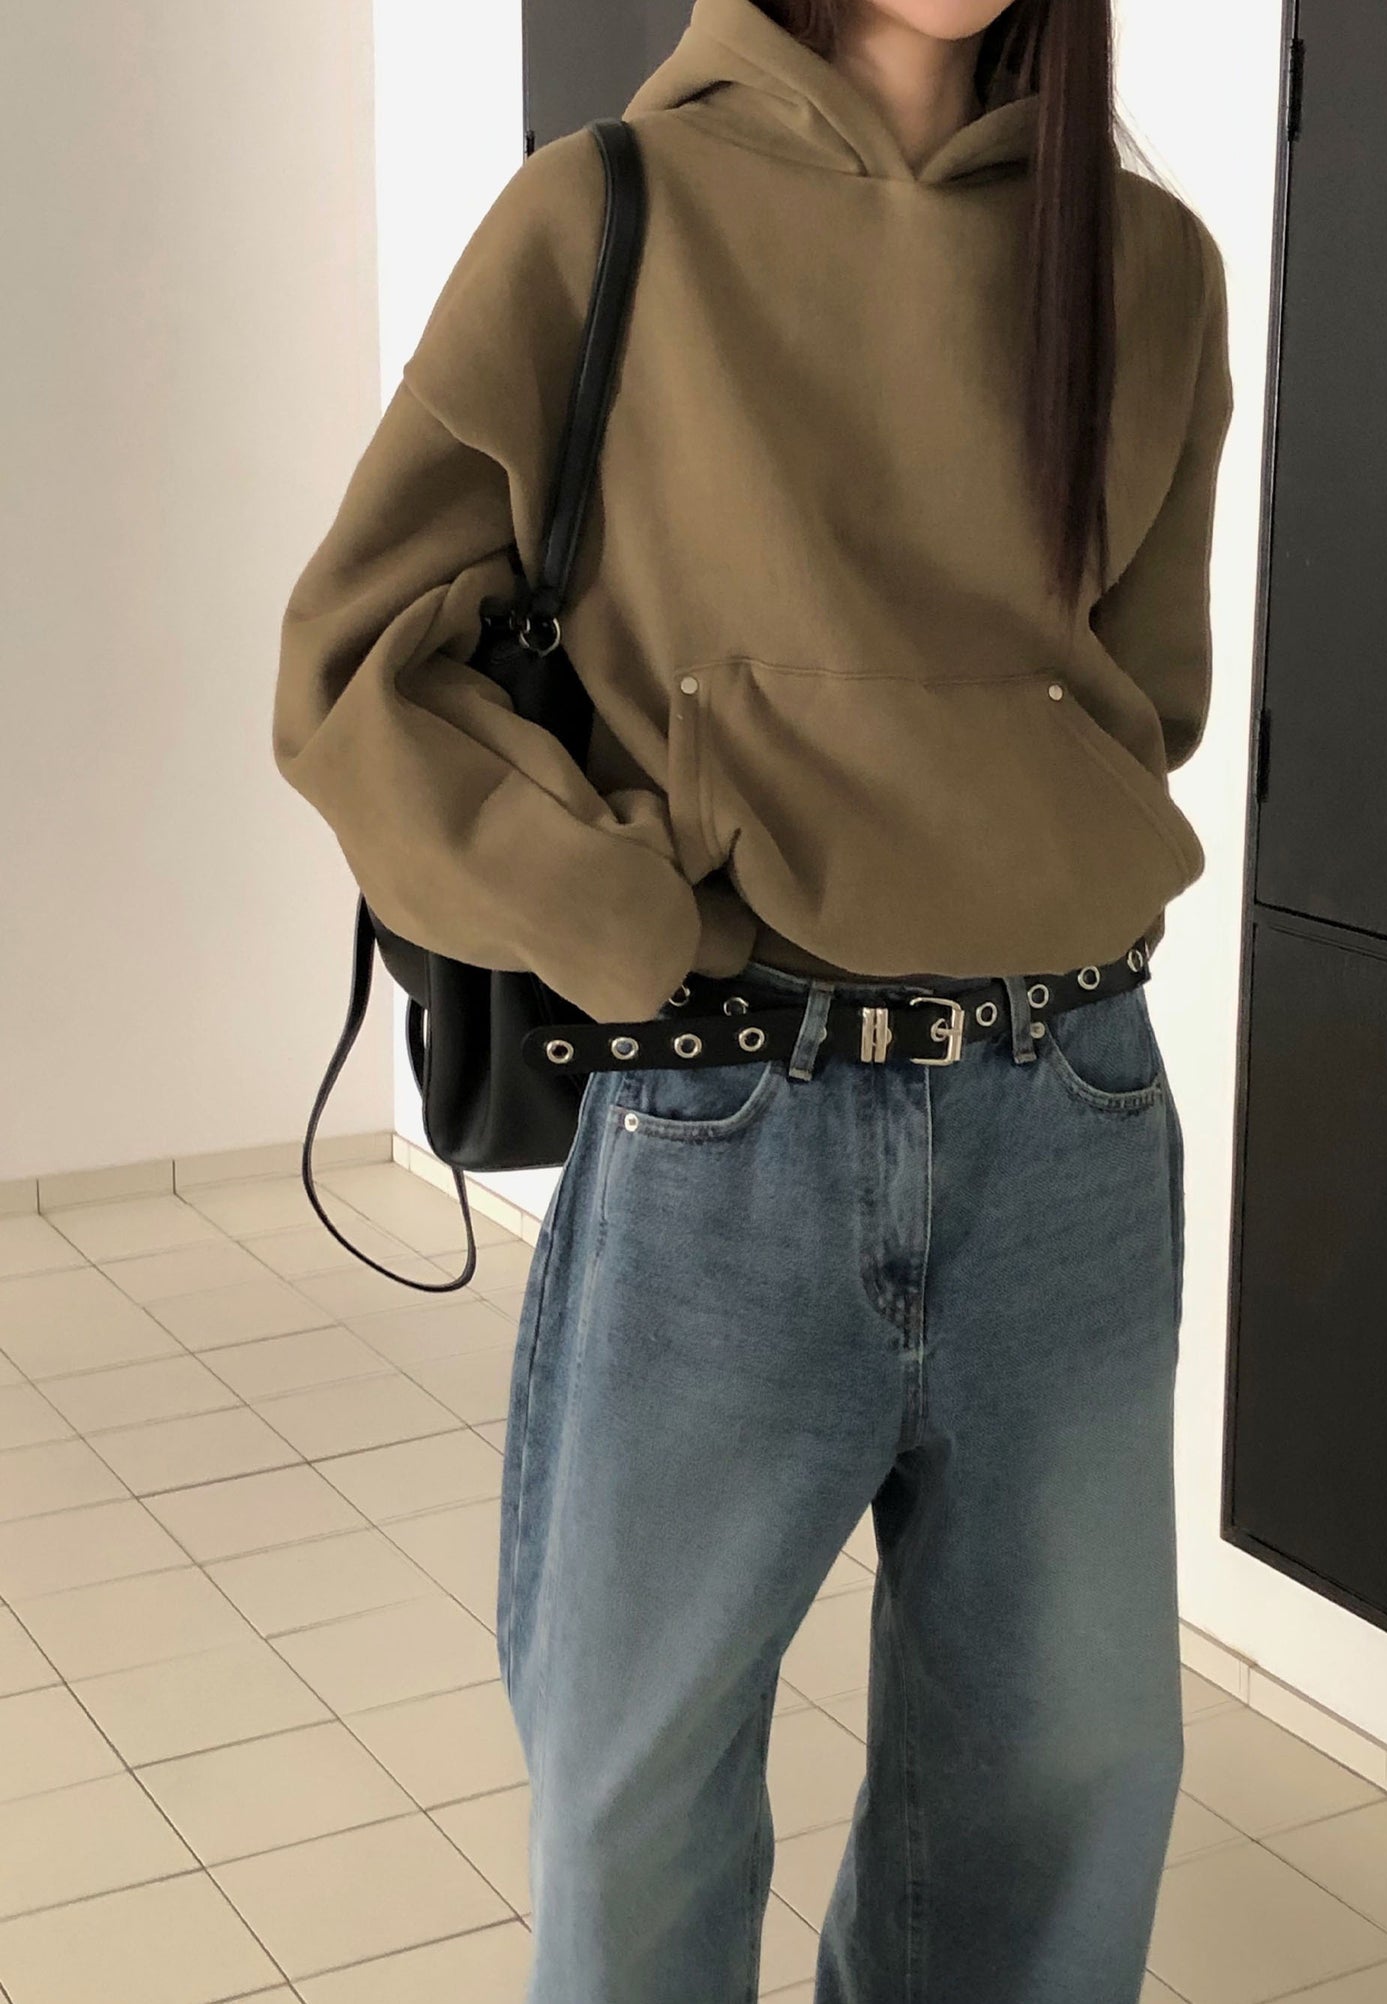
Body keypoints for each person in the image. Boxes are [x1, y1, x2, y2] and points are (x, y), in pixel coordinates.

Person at [271, 0, 1233, 1995]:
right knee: (635, 1799)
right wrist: (615, 910)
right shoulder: (604, 213)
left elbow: (1140, 702)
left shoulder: (1142, 261)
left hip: (1068, 1108)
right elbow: (357, 668)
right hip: (731, 1120)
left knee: (1064, 1788)